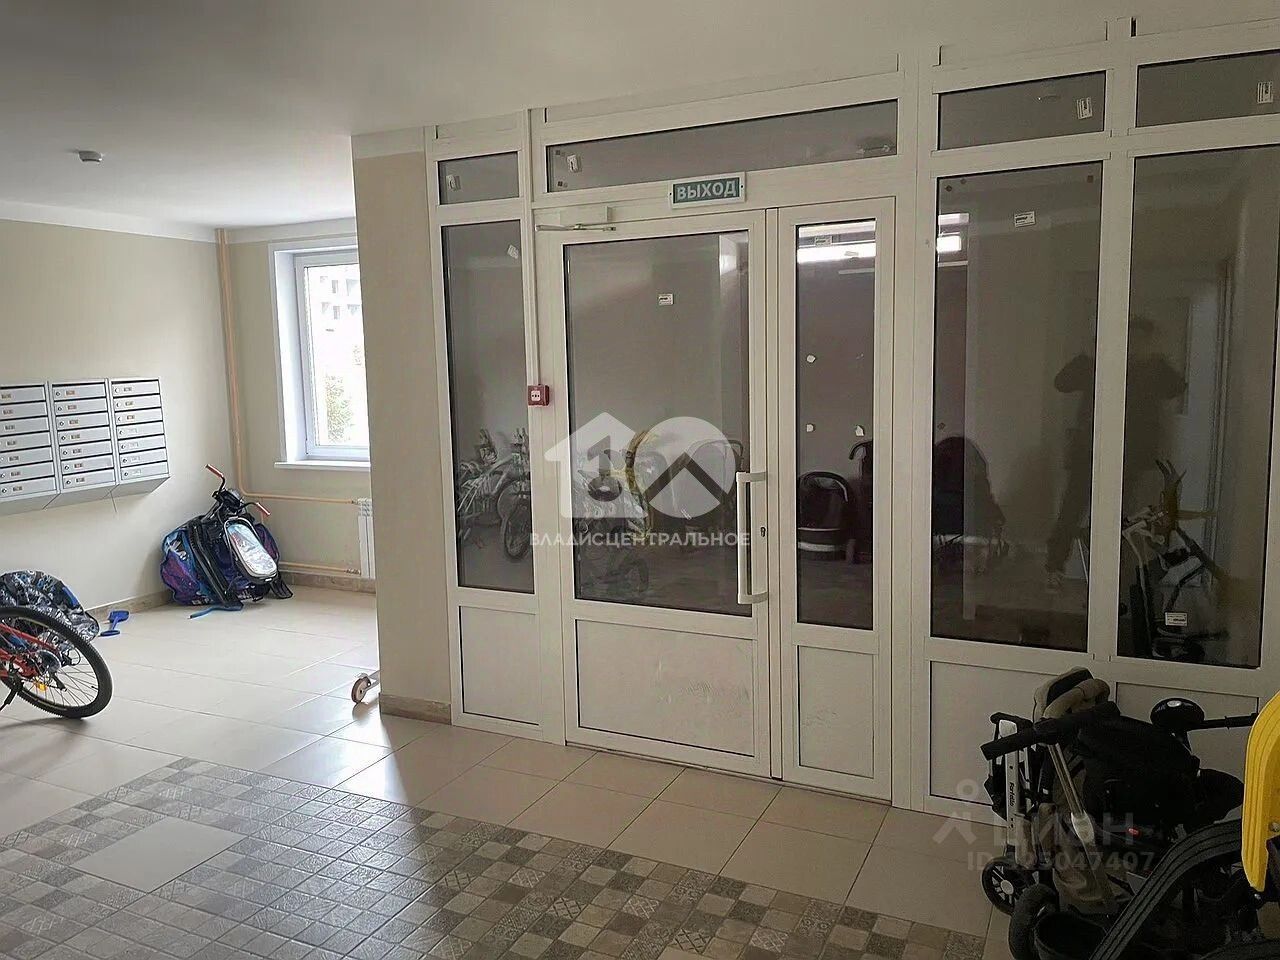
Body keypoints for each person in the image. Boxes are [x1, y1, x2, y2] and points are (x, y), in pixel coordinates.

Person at [1044, 316, 1186, 590]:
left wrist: (1156, 360)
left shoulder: (1152, 368)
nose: (1134, 345)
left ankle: (1111, 576)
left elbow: (1176, 387)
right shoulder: (1099, 362)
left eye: (1140, 340)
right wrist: (1088, 355)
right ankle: (1055, 566)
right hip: (1089, 453)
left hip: (1131, 458)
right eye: (1131, 338)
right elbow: (1062, 382)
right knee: (1071, 510)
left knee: (1119, 516)